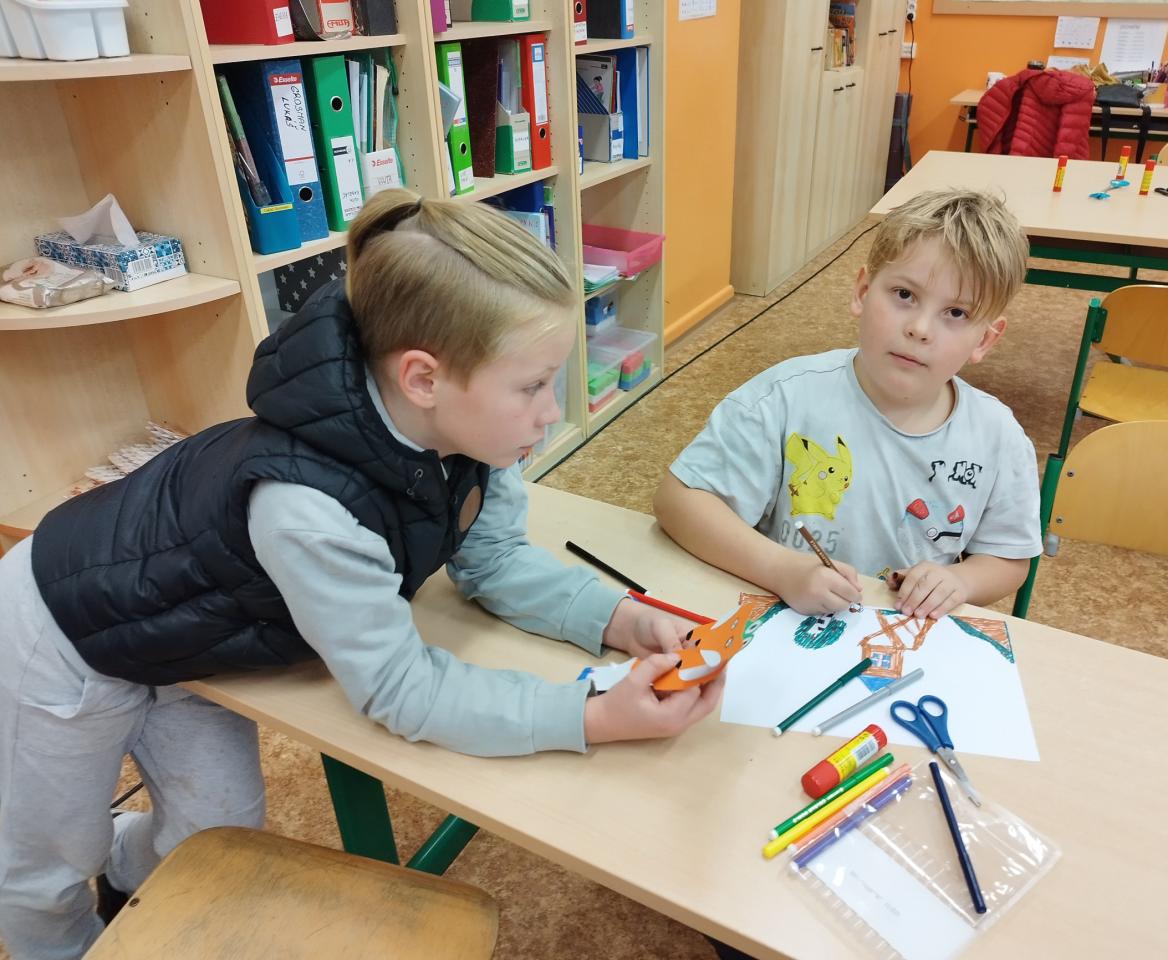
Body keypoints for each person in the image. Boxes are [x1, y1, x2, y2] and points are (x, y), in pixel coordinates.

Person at [0, 189, 721, 960]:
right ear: (423, 378)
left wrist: (620, 619)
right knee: (46, 864)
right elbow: (402, 691)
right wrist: (593, 716)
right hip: (64, 635)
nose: (552, 411)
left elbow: (495, 560)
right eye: (532, 386)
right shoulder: (306, 511)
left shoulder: (472, 435)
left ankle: (125, 871)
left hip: (192, 635)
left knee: (214, 828)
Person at [654, 188, 1041, 622]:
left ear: (985, 339)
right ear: (862, 291)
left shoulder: (998, 437)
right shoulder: (785, 396)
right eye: (904, 294)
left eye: (956, 314)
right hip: (784, 619)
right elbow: (678, 501)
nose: (919, 328)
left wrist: (961, 581)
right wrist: (782, 569)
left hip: (902, 638)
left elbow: (1009, 559)